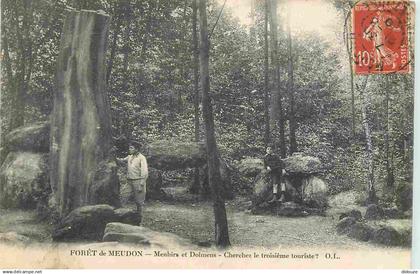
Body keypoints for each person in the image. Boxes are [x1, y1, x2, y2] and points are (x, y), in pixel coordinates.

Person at [117, 142, 149, 223]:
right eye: (129, 148)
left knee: (139, 202)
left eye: (131, 148)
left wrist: (141, 184)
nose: (129, 149)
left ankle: (139, 220)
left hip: (138, 181)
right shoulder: (129, 157)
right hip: (129, 181)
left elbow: (144, 172)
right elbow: (121, 161)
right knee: (123, 196)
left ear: (137, 149)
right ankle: (119, 218)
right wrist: (113, 157)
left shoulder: (142, 158)